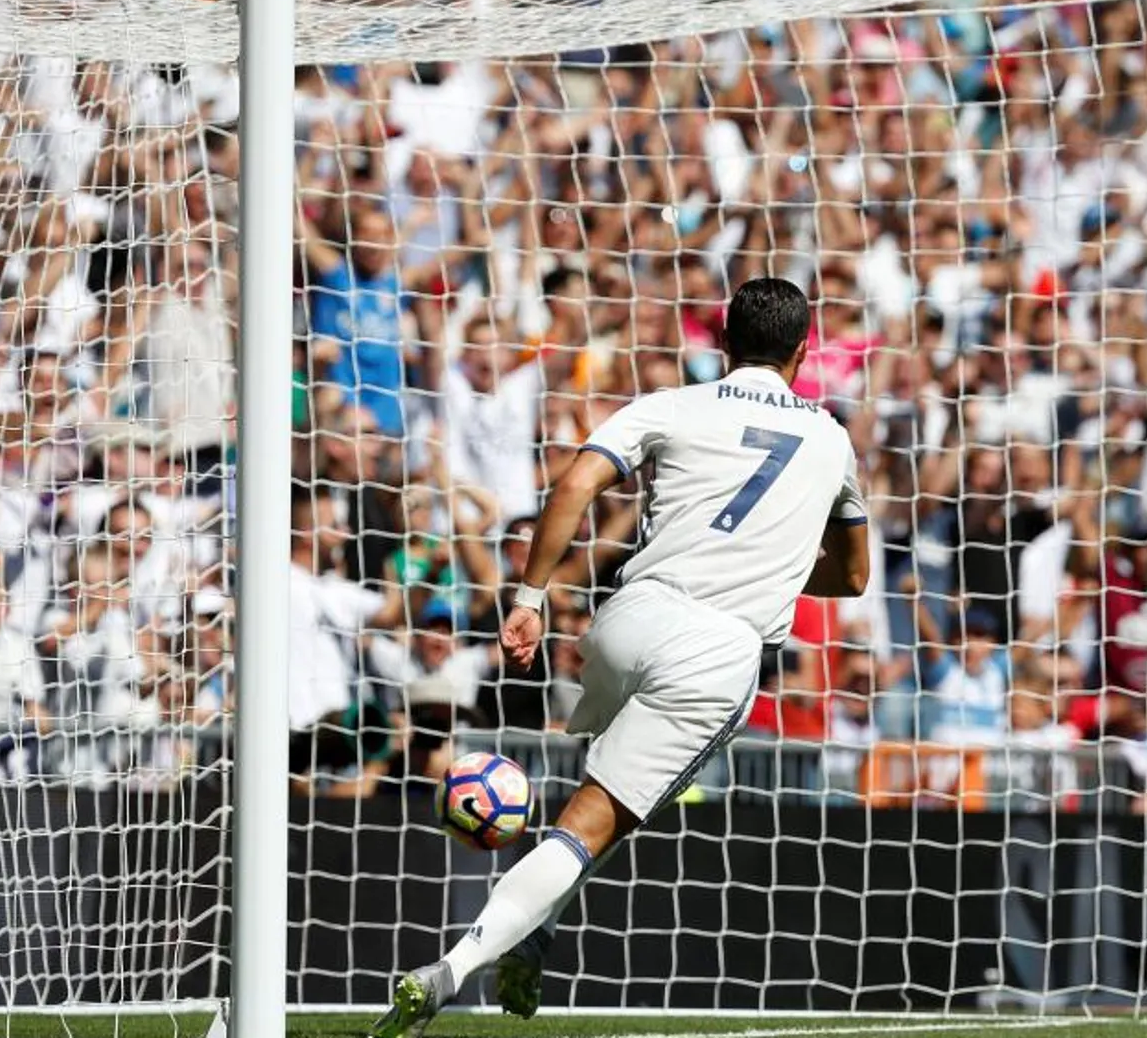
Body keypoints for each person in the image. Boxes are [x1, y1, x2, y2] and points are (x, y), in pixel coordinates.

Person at [370, 278, 870, 1035]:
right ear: (804, 351)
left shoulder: (674, 402)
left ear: (724, 342)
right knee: (595, 821)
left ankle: (533, 928)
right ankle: (454, 967)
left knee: (596, 803)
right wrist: (775, 555)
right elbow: (855, 575)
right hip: (718, 648)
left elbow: (575, 479)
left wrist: (531, 597)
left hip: (626, 617)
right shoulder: (832, 437)